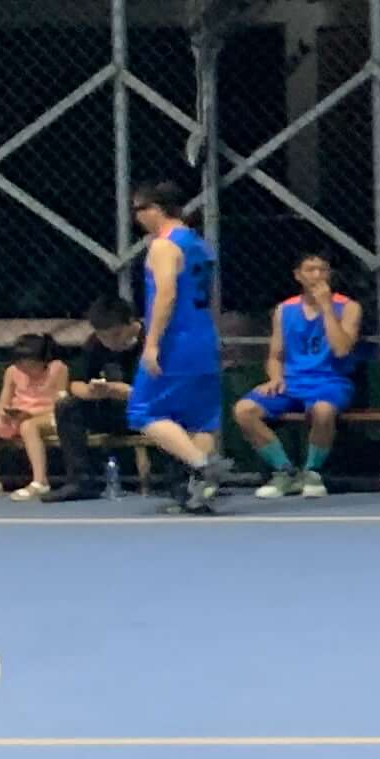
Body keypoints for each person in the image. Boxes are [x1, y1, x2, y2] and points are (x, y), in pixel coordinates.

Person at [225, 250, 362, 500]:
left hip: (330, 381)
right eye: (310, 270)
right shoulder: (284, 309)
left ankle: (312, 472)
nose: (317, 275)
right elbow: (276, 355)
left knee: (323, 411)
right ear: (298, 275)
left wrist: (326, 308)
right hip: (291, 382)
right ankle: (285, 471)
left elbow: (341, 349)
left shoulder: (349, 307)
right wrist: (275, 378)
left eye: (322, 270)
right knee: (244, 410)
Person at [126, 181, 226, 513]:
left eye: (140, 209)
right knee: (200, 419)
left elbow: (166, 295)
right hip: (203, 336)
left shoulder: (163, 246)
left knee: (143, 411)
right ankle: (199, 495)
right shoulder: (199, 243)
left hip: (176, 339)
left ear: (156, 209)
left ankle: (203, 465)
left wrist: (152, 343)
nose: (137, 217)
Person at [61, 299, 150, 496]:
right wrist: (89, 392)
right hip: (112, 412)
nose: (110, 342)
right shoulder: (94, 344)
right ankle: (81, 481)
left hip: (149, 411)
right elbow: (75, 383)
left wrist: (127, 392)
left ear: (131, 322)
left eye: (116, 335)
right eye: (103, 337)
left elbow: (165, 391)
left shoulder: (152, 341)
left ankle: (177, 478)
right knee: (67, 407)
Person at [0, 333, 66, 501]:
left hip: (48, 416)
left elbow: (62, 403)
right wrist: (5, 413)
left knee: (28, 426)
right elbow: (2, 404)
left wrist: (31, 415)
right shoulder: (12, 372)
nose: (25, 370)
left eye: (31, 366)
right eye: (21, 365)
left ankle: (40, 481)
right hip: (17, 418)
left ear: (44, 360)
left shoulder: (58, 368)